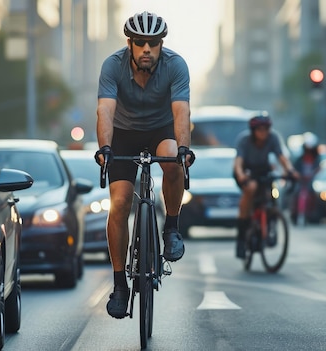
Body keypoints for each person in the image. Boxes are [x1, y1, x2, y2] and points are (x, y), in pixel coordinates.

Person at [94, 11, 195, 319]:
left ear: (161, 44)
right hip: (122, 135)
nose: (147, 49)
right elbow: (105, 112)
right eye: (140, 43)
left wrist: (184, 149)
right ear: (131, 44)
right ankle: (120, 285)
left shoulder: (175, 65)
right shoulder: (112, 65)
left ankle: (171, 229)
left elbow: (181, 113)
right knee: (121, 202)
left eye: (153, 43)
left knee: (173, 162)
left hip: (160, 131)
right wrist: (105, 149)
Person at [233, 113, 298, 258]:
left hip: (263, 169)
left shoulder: (273, 138)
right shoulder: (244, 140)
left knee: (271, 192)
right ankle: (241, 238)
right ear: (253, 131)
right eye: (259, 130)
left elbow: (282, 157)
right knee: (251, 188)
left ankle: (270, 222)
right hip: (246, 170)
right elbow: (238, 162)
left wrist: (291, 171)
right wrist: (241, 175)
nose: (263, 133)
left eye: (266, 129)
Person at [291, 132, 321, 226]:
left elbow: (318, 168)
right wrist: (298, 175)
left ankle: (312, 214)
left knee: (314, 195)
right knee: (295, 193)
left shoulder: (316, 159)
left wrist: (313, 174)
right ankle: (294, 213)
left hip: (310, 181)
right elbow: (295, 168)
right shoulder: (300, 159)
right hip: (301, 181)